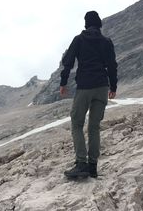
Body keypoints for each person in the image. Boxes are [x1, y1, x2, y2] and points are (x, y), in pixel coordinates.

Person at [60, 11, 118, 178]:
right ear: (99, 24)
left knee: (77, 123)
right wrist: (113, 86)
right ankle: (92, 167)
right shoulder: (107, 42)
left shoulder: (79, 39)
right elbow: (112, 66)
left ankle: (81, 163)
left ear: (86, 24)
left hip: (85, 86)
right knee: (94, 126)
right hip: (102, 87)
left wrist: (63, 83)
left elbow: (68, 62)